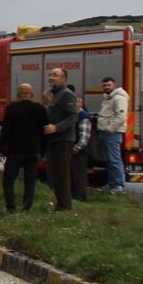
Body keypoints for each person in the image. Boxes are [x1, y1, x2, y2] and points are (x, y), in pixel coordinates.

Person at [0, 83, 48, 212]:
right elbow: (45, 132)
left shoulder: (12, 109)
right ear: (31, 94)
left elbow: (6, 132)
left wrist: (1, 149)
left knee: (8, 180)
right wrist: (43, 151)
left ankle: (11, 207)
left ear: (18, 95)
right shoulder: (40, 109)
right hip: (34, 152)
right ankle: (27, 206)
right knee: (30, 180)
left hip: (15, 152)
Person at [42, 67, 78, 211]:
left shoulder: (67, 94)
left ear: (64, 79)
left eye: (55, 75)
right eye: (50, 75)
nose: (51, 77)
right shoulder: (53, 95)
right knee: (55, 174)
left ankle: (64, 206)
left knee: (62, 174)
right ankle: (60, 203)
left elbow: (73, 117)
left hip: (63, 139)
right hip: (53, 140)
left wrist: (57, 127)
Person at [96, 76, 129, 193]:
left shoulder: (119, 98)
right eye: (104, 85)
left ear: (114, 85)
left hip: (112, 134)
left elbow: (121, 117)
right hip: (106, 133)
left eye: (108, 85)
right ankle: (111, 184)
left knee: (115, 160)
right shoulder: (108, 98)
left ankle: (119, 185)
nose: (106, 87)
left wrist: (110, 129)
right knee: (109, 160)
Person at [70, 86, 93, 202]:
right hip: (74, 151)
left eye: (77, 102)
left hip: (79, 152)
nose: (74, 104)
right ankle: (75, 195)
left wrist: (76, 148)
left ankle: (80, 196)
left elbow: (84, 137)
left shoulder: (83, 116)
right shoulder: (74, 115)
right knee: (73, 175)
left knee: (79, 175)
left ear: (81, 103)